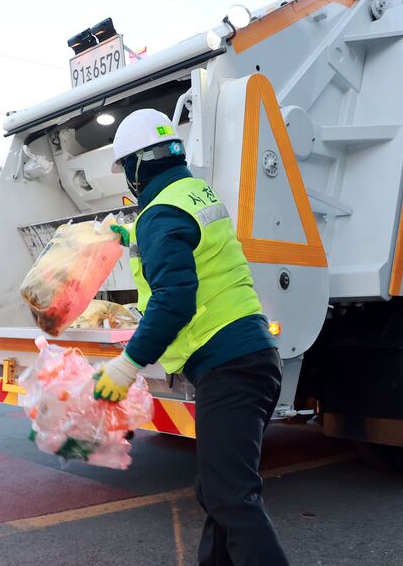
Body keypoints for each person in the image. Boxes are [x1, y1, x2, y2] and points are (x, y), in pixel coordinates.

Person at [93, 109, 290, 566]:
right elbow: (188, 249)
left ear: (139, 165)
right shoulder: (192, 193)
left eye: (126, 168)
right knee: (219, 490)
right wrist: (132, 235)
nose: (128, 179)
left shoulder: (160, 213)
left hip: (230, 364)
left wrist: (126, 367)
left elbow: (174, 300)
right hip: (250, 357)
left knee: (231, 497)